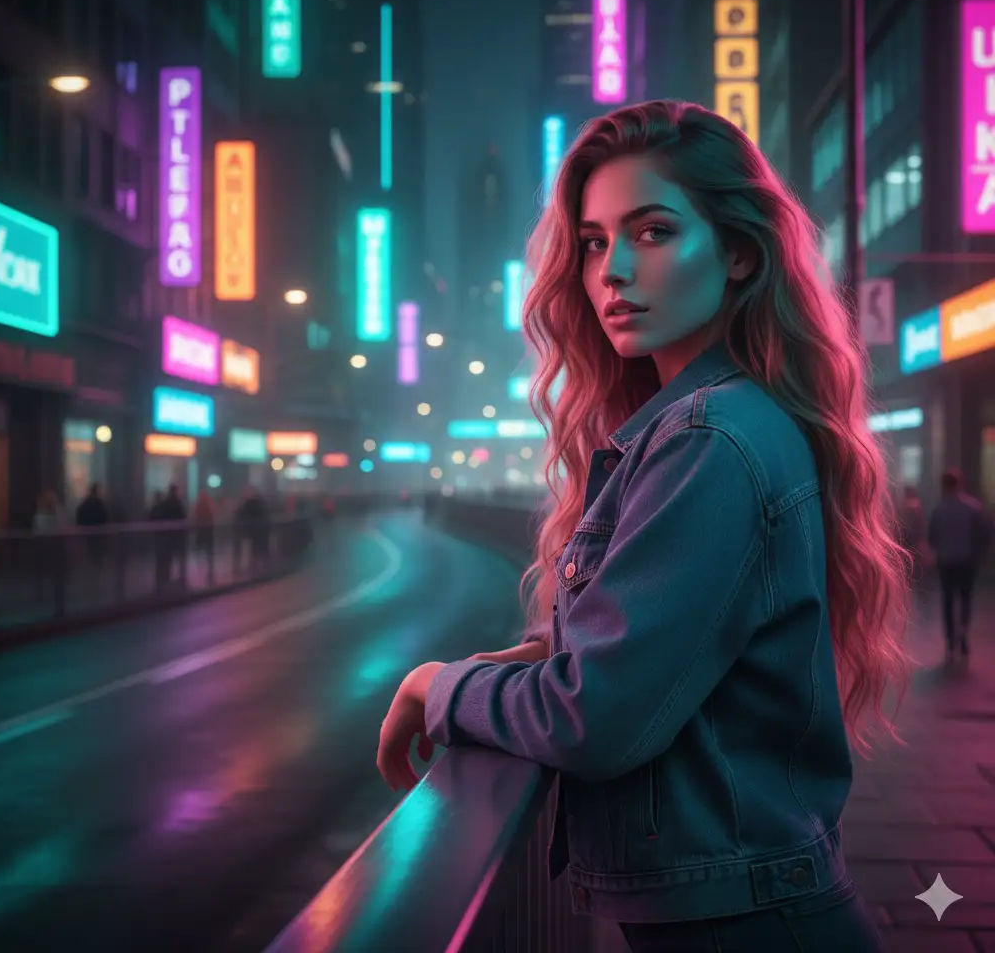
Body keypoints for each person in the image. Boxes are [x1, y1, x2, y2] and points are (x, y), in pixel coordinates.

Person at [377, 100, 912, 951]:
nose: (612, 271)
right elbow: (661, 657)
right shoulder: (718, 421)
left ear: (738, 252)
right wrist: (545, 656)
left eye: (653, 232)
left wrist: (436, 687)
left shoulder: (708, 439)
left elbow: (598, 718)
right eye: (593, 243)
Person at [928, 469, 990, 661]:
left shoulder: (938, 510)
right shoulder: (973, 508)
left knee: (947, 601)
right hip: (966, 561)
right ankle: (963, 634)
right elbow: (982, 535)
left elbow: (932, 538)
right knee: (965, 599)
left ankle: (950, 641)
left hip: (946, 562)